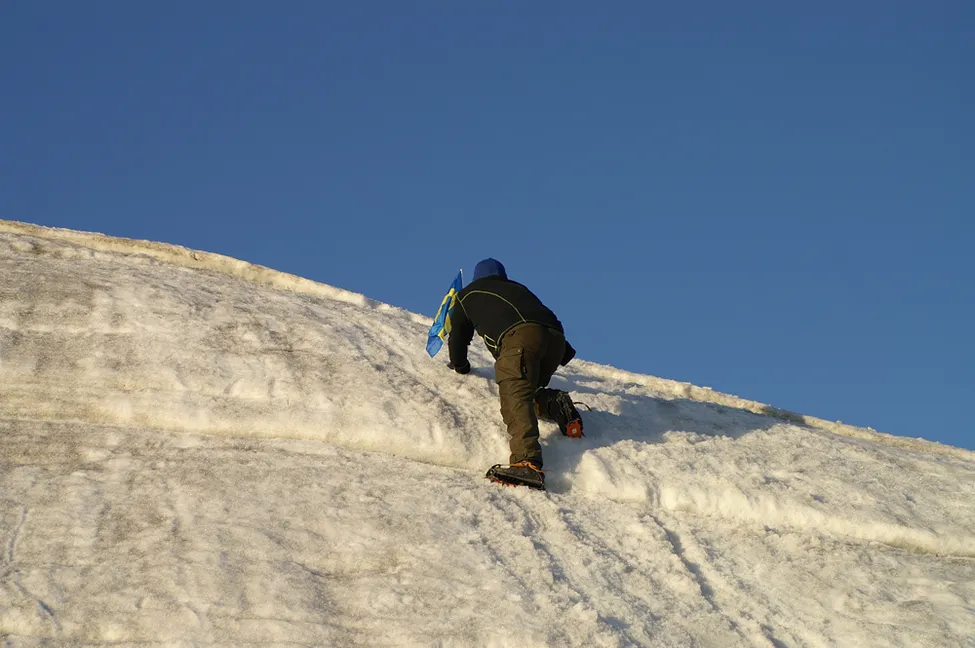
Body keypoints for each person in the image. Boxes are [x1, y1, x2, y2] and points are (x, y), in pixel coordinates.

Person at [447, 258, 582, 488]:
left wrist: (460, 365)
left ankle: (526, 463)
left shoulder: (467, 294)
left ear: (476, 278)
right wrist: (562, 352)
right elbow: (542, 315)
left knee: (514, 394)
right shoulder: (518, 288)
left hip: (520, 338)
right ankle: (553, 403)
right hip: (555, 340)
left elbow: (458, 335)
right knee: (527, 390)